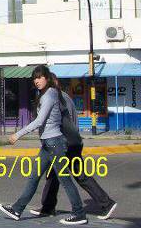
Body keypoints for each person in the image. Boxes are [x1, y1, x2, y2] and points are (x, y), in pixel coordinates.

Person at [0, 64, 87, 225]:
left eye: (39, 77)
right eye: (34, 78)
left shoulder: (50, 94)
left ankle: (79, 213)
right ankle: (17, 209)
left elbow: (39, 121)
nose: (36, 81)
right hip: (47, 144)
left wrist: (18, 134)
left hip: (55, 143)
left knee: (65, 179)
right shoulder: (45, 94)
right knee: (33, 177)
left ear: (47, 78)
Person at [30, 74, 117, 220]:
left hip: (65, 144)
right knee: (53, 175)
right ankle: (48, 207)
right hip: (66, 142)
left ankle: (106, 203)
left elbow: (62, 123)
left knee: (79, 174)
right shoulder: (61, 97)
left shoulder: (57, 98)